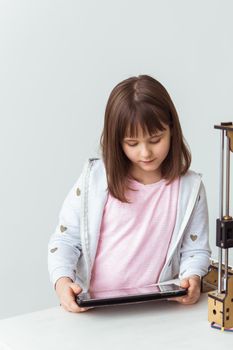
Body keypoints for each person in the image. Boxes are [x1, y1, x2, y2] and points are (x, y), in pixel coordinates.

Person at [48, 74, 211, 313]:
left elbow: (195, 250)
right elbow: (64, 240)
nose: (145, 152)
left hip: (158, 312)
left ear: (172, 130)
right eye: (132, 143)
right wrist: (62, 282)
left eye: (155, 139)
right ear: (117, 142)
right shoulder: (95, 180)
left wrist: (193, 278)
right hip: (97, 312)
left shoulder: (190, 188)